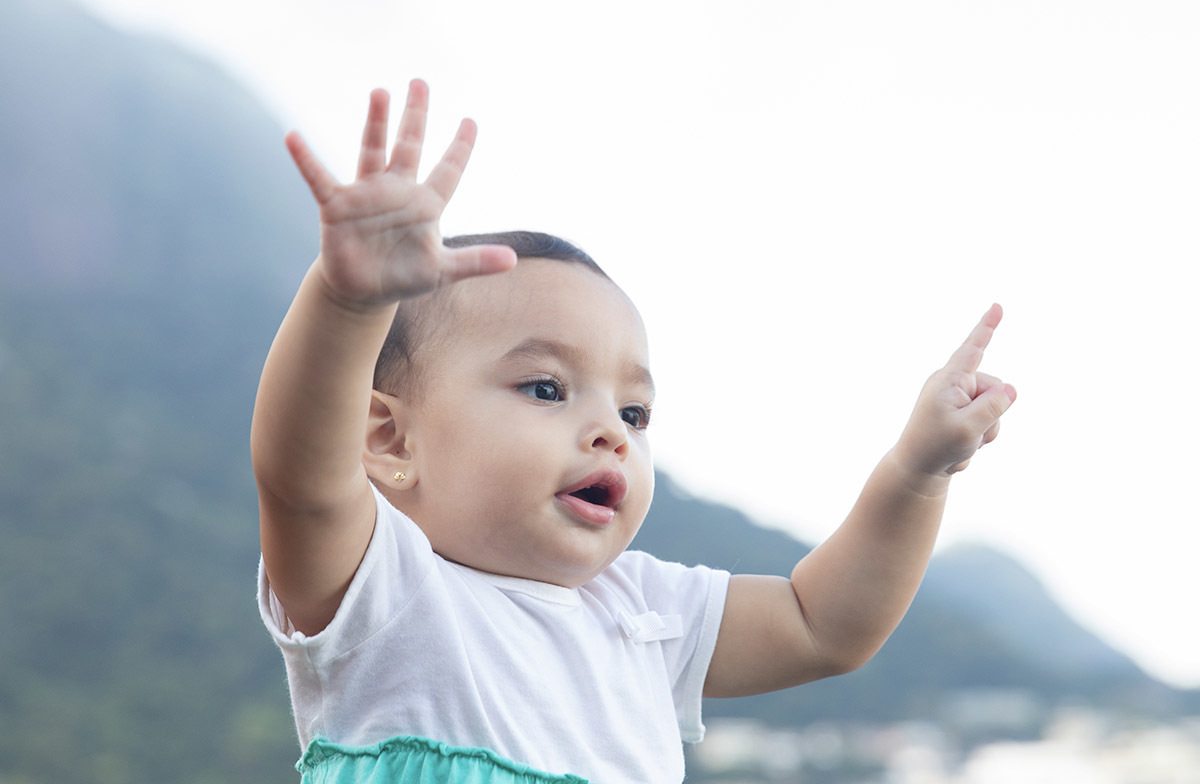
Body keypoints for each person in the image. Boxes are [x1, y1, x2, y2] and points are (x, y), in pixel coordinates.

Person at [251, 80, 1016, 783]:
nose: (610, 433)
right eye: (546, 387)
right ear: (390, 441)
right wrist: (346, 304)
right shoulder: (385, 592)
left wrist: (918, 473)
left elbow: (822, 626)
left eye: (634, 413)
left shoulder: (640, 614)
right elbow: (302, 481)